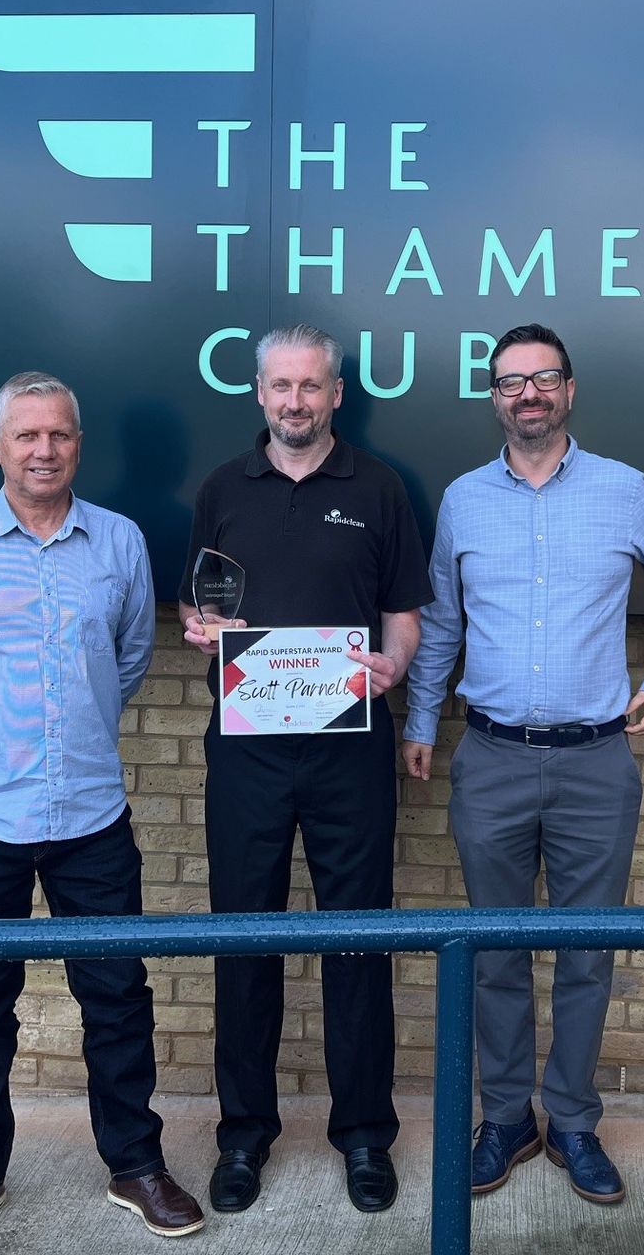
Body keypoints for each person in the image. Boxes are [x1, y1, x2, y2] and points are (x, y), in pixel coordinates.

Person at [399, 323, 644, 1205]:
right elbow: (444, 624)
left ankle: (572, 1119)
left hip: (595, 762)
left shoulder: (624, 491)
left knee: (586, 950)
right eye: (509, 383)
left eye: (543, 379)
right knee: (492, 951)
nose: (526, 395)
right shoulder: (463, 499)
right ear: (493, 398)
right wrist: (423, 717)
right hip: (491, 756)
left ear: (570, 390)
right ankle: (505, 1118)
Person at [0, 372, 204, 1252]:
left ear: (78, 444)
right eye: (25, 436)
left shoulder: (118, 543)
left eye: (59, 436)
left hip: (90, 812)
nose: (43, 450)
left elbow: (130, 655)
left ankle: (136, 1166)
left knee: (116, 996)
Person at [178, 324, 432, 1215]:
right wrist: (198, 629)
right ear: (259, 394)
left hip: (349, 750)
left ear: (335, 394)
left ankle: (364, 1136)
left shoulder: (379, 488)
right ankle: (243, 1136)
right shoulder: (222, 489)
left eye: (311, 386)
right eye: (280, 386)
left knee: (358, 941)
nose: (295, 401)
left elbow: (403, 611)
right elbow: (201, 603)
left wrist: (393, 664)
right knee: (242, 941)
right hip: (246, 752)